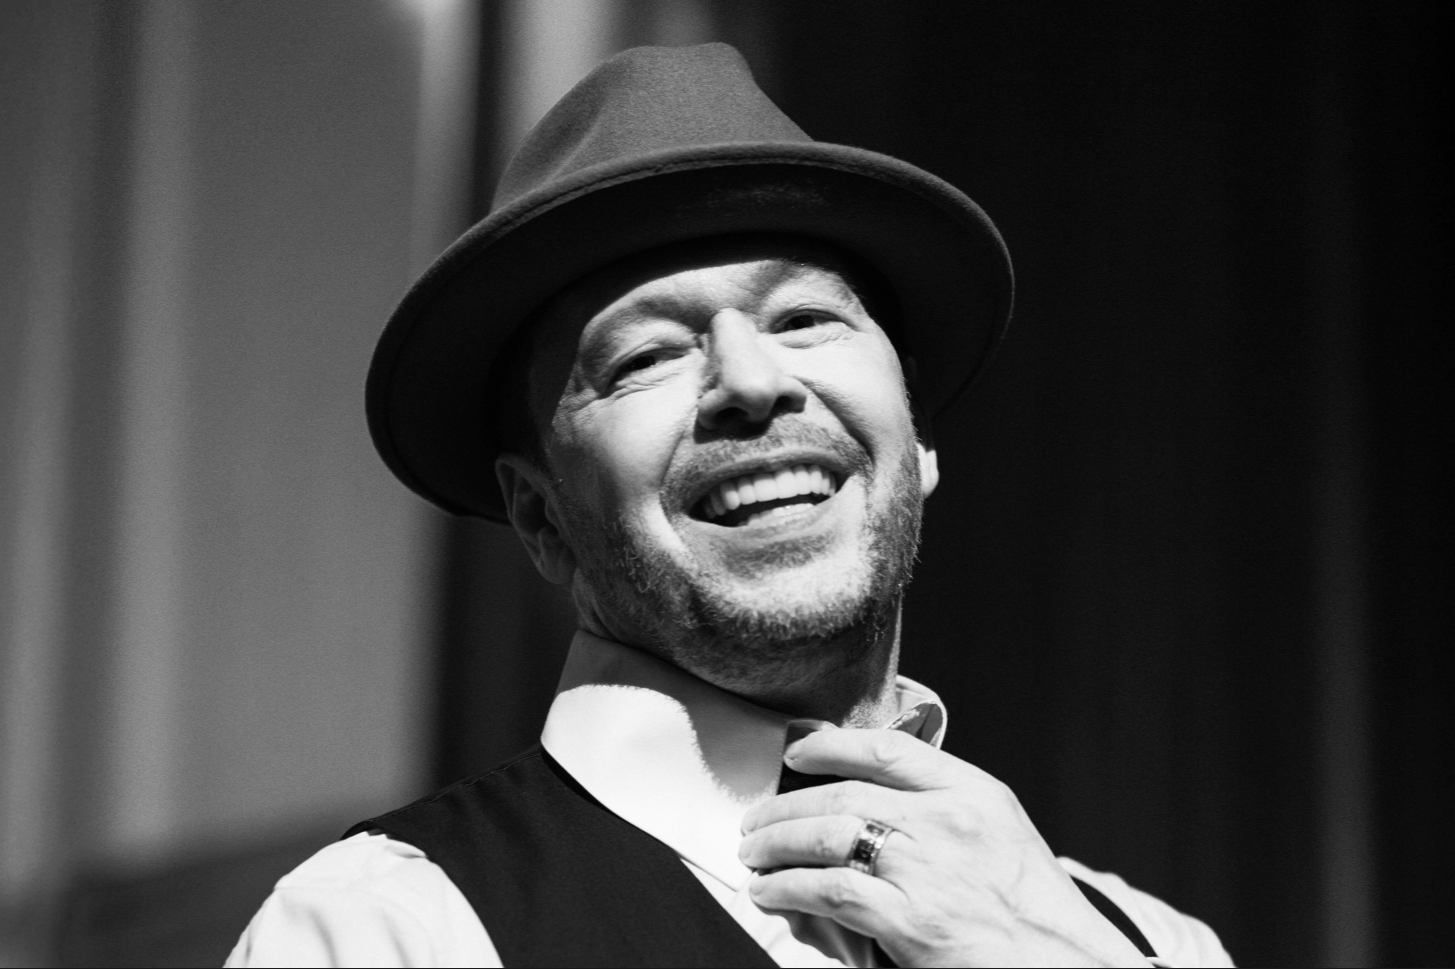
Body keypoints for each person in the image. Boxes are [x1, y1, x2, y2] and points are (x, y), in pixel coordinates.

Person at [228, 43, 1232, 968]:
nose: (752, 382)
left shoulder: (1150, 943)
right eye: (644, 358)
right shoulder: (388, 931)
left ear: (918, 433)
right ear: (541, 518)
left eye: (803, 317)